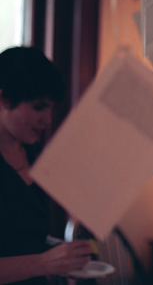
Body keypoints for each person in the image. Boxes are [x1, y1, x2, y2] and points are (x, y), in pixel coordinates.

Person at [0, 46, 92, 285]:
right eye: (39, 107)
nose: (48, 119)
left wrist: (64, 255)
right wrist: (43, 262)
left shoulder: (34, 152)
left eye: (51, 107)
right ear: (3, 100)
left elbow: (26, 237)